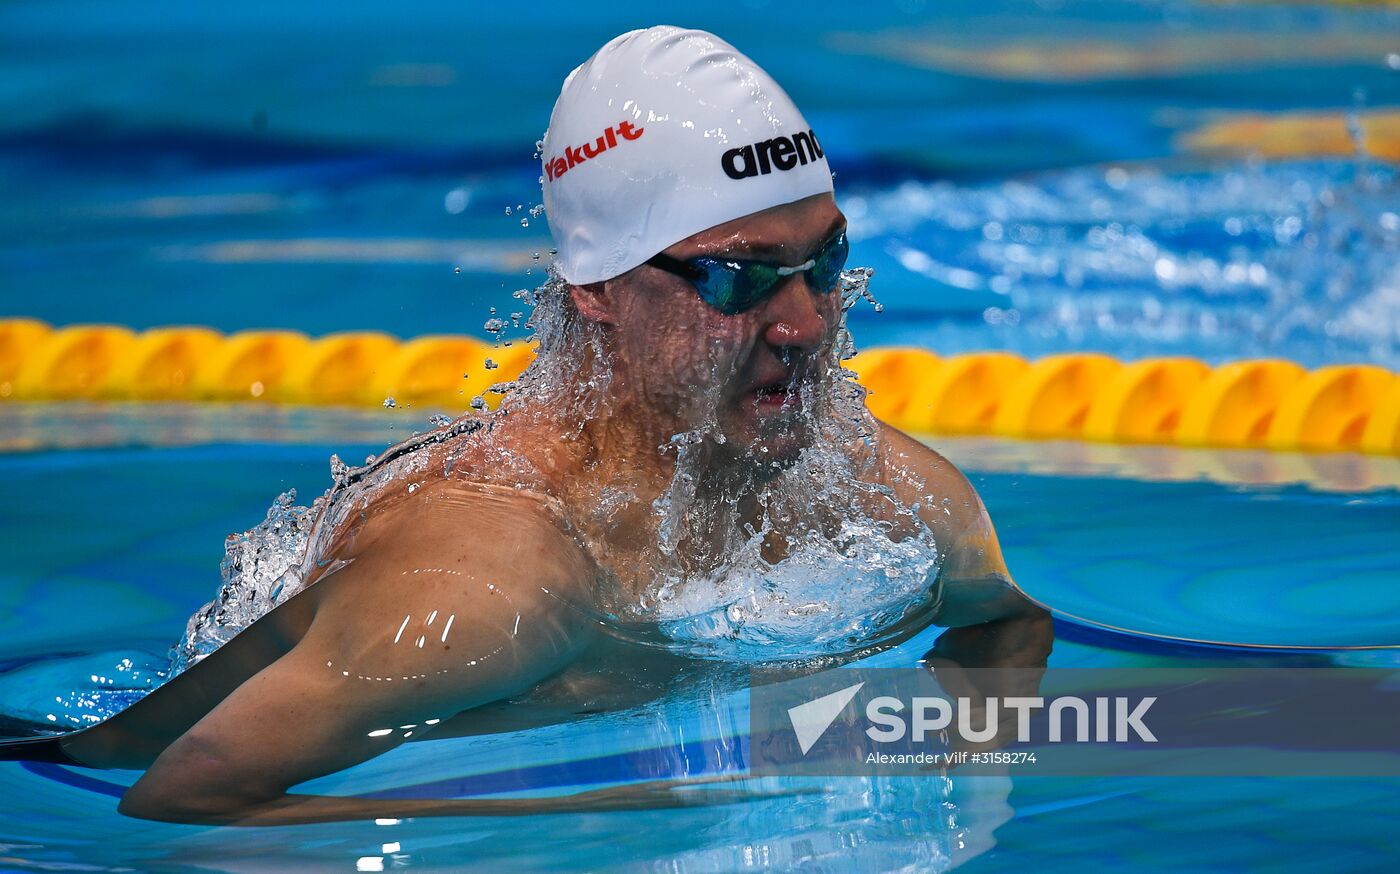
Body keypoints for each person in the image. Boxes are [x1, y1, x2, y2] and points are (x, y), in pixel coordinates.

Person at [3, 25, 1048, 824]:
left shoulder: (877, 497)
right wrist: (596, 807)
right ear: (595, 289)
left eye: (822, 261)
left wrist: (947, 804)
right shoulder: (498, 575)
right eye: (739, 279)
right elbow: (185, 799)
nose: (805, 323)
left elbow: (1005, 626)